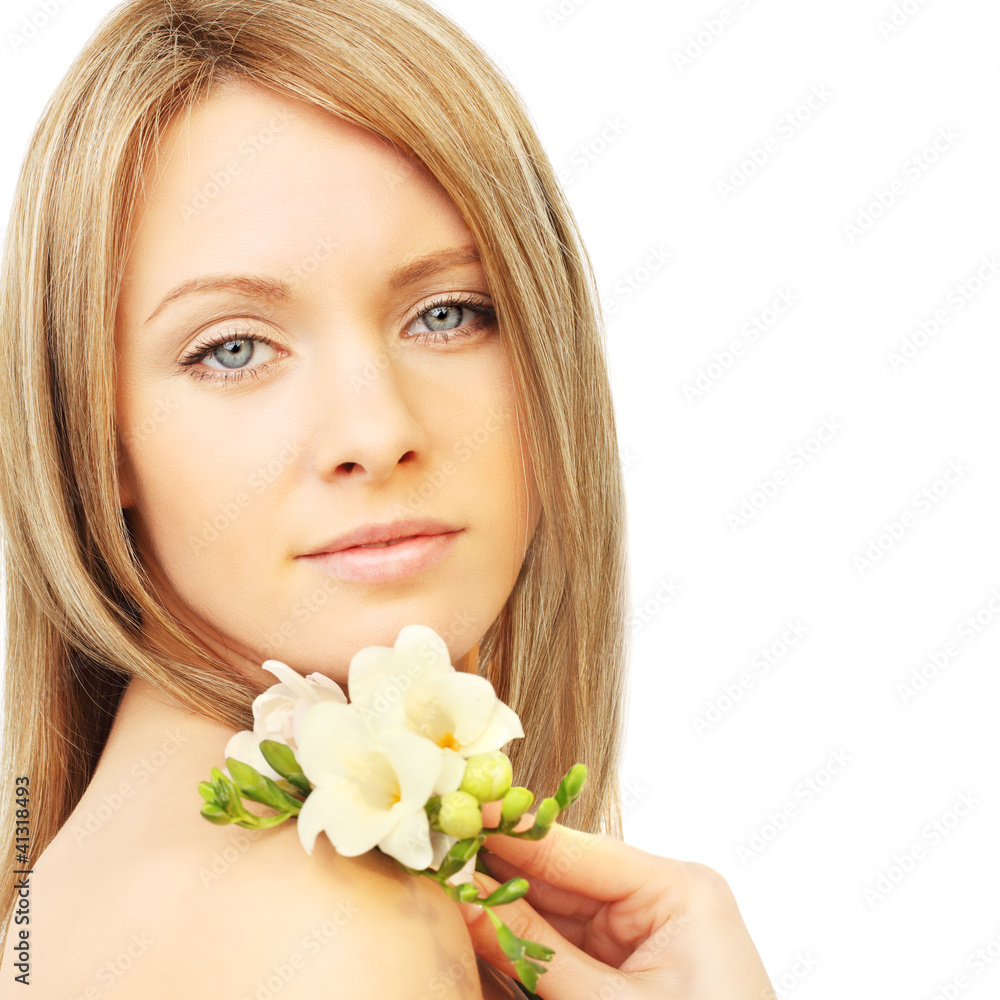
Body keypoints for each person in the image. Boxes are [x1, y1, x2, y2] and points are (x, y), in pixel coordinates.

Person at [0, 1, 774, 996]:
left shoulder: (72, 890)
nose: (375, 432)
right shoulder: (336, 920)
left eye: (447, 314)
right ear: (92, 440)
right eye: (232, 348)